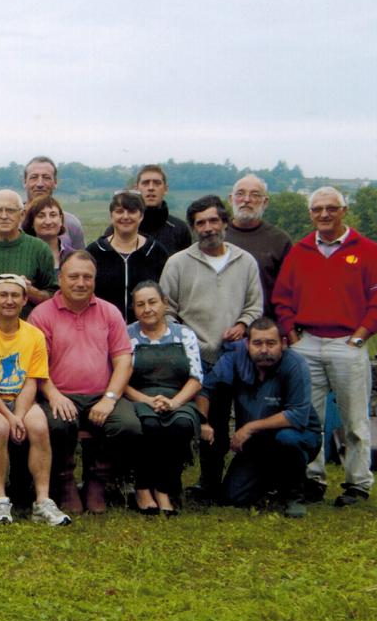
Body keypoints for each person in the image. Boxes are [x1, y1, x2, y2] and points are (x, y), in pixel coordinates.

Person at [273, 186, 377, 507]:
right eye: (317, 209)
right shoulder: (300, 251)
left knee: (355, 419)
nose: (324, 214)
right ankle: (312, 479)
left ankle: (358, 483)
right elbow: (282, 298)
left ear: (344, 211)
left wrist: (360, 337)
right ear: (310, 214)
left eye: (331, 208)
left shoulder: (366, 250)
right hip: (307, 342)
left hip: (347, 342)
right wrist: (292, 336)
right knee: (309, 418)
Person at [160, 194, 263, 501]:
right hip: (193, 354)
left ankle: (229, 481)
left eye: (213, 220)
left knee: (235, 419)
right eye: (200, 223)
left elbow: (255, 305)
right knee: (200, 420)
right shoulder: (178, 263)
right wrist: (185, 337)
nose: (207, 228)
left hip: (235, 354)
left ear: (225, 223)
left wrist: (243, 324)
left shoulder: (245, 261)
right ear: (193, 228)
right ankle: (193, 482)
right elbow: (166, 308)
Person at [30, 250, 142, 516]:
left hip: (101, 395)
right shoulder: (41, 315)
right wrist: (54, 396)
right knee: (57, 424)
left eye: (87, 277)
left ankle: (97, 480)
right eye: (73, 276)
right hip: (59, 394)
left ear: (95, 279)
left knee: (128, 425)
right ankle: (65, 481)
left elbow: (123, 360)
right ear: (60, 278)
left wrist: (109, 398)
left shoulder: (109, 312)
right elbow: (36, 366)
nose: (81, 283)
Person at [0, 275, 71, 526]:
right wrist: (9, 418)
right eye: (3, 295)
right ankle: (1, 499)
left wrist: (18, 415)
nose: (9, 301)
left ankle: (42, 501)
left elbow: (32, 380)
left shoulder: (34, 335)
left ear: (24, 299)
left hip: (21, 398)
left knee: (39, 426)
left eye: (15, 295)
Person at [199, 317, 321, 516]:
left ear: (283, 343)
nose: (264, 350)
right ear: (247, 344)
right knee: (234, 496)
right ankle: (276, 482)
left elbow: (297, 415)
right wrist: (204, 422)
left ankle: (294, 496)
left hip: (299, 437)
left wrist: (249, 428)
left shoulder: (295, 364)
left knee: (286, 439)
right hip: (257, 442)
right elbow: (205, 390)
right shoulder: (234, 359)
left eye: (271, 343)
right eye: (257, 343)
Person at [123, 281, 204, 516]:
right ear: (134, 308)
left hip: (178, 397)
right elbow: (120, 380)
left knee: (181, 425)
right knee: (149, 425)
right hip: (139, 397)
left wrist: (175, 402)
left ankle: (164, 488)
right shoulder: (126, 334)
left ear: (165, 303)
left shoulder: (184, 334)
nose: (147, 309)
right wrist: (147, 401)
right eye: (140, 304)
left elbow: (196, 378)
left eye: (152, 302)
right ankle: (142, 488)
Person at [86, 190, 167, 316]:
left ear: (141, 216)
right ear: (111, 215)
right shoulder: (94, 252)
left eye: (132, 211)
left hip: (146, 325)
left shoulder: (156, 252)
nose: (125, 216)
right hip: (103, 324)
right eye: (119, 211)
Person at [227, 174, 293, 319]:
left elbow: (289, 292)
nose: (246, 200)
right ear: (231, 199)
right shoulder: (217, 237)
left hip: (265, 326)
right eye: (240, 194)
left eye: (255, 195)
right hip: (223, 325)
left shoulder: (280, 241)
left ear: (265, 202)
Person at [124, 165, 192, 256]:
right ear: (136, 189)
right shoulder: (120, 228)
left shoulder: (179, 229)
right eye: (145, 183)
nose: (151, 188)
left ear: (165, 189)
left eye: (157, 183)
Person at [22, 156, 84, 249]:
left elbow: (80, 257)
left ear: (55, 182)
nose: (40, 184)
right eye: (34, 177)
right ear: (24, 182)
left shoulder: (71, 224)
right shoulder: (10, 222)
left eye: (46, 178)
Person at [22, 195, 74, 273]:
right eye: (41, 216)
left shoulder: (73, 256)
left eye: (53, 215)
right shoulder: (21, 256)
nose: (48, 221)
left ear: (60, 220)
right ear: (32, 222)